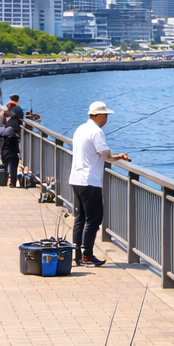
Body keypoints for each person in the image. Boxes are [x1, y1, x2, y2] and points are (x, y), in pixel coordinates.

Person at [69, 101, 131, 266]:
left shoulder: (80, 129)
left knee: (81, 218)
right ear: (100, 115)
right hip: (90, 181)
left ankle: (77, 255)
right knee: (94, 218)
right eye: (106, 116)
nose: (107, 119)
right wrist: (119, 157)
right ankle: (87, 255)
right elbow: (105, 155)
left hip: (76, 179)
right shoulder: (97, 132)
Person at [0, 94, 24, 186]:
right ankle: (12, 182)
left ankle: (3, 180)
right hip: (14, 139)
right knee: (14, 160)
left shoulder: (4, 114)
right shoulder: (18, 111)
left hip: (4, 140)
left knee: (5, 160)